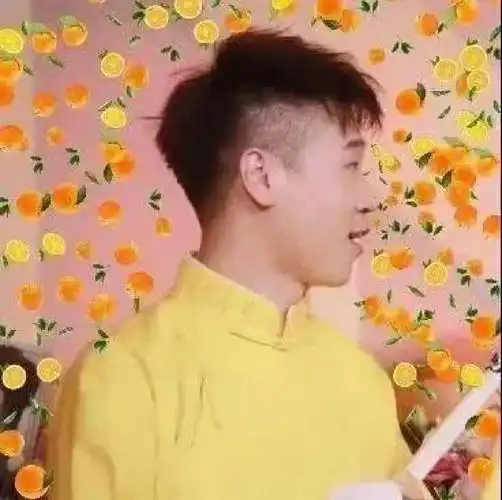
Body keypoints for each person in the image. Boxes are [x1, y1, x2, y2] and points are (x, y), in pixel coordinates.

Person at [48, 29, 431, 500]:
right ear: (261, 176)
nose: (371, 199)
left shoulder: (362, 381)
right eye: (351, 166)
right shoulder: (121, 377)